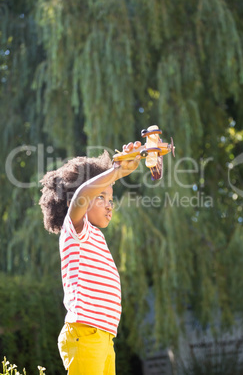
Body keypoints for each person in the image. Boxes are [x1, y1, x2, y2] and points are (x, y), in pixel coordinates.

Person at [39, 141, 141, 375]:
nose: (109, 206)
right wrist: (116, 172)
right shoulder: (75, 229)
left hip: (104, 337)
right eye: (101, 197)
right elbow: (83, 195)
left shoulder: (95, 236)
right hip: (85, 333)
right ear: (73, 201)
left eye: (111, 200)